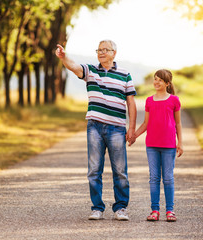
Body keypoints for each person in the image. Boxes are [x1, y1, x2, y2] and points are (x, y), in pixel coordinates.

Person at [55, 40, 137, 221]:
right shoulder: (91, 70)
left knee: (120, 171)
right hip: (95, 127)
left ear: (114, 53)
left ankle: (121, 208)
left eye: (105, 50)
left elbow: (131, 102)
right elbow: (74, 67)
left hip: (117, 128)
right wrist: (64, 57)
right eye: (99, 50)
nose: (101, 52)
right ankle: (97, 208)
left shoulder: (125, 75)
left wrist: (131, 128)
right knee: (94, 170)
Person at [131, 69, 183, 222]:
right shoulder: (149, 101)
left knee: (167, 178)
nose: (157, 82)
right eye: (155, 79)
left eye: (160, 80)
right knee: (154, 178)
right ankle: (154, 210)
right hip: (152, 145)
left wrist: (180, 142)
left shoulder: (174, 100)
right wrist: (134, 135)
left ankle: (170, 211)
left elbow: (178, 123)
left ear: (167, 83)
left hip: (169, 146)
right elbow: (146, 123)